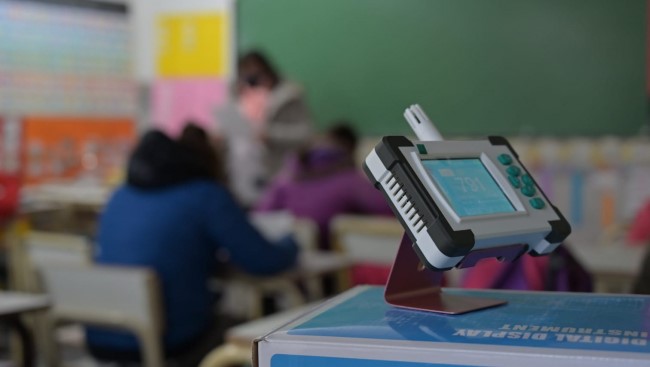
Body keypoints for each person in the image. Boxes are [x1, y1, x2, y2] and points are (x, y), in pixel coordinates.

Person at [86, 127, 299, 363]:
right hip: (172, 338)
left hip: (103, 334)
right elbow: (263, 260)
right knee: (249, 331)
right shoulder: (205, 194)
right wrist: (291, 244)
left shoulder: (120, 195)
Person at [255, 123, 392, 251]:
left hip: (288, 254)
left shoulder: (286, 175)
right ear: (351, 149)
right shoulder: (349, 179)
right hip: (328, 258)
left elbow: (260, 217)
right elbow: (391, 207)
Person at [218, 50, 313, 205]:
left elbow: (306, 135)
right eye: (247, 76)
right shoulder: (237, 96)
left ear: (268, 72)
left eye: (256, 76)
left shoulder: (288, 97)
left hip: (279, 176)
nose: (252, 82)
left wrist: (270, 135)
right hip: (241, 180)